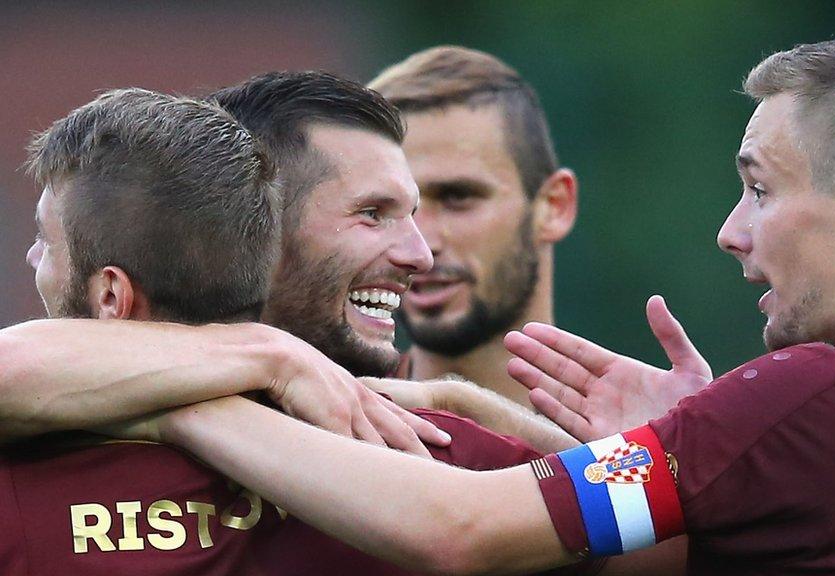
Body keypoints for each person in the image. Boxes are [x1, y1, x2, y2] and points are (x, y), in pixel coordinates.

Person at [103, 26, 835, 575]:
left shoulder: (802, 403)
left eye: (760, 189)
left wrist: (197, 395)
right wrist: (692, 449)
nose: (732, 232)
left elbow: (460, 531)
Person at [0, 80, 547, 575]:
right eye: (372, 213)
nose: (419, 254)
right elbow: (619, 508)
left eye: (46, 242)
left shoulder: (21, 486)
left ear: (113, 296)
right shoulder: (433, 449)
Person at [368, 46, 578, 408]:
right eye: (386, 208)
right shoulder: (327, 429)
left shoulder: (642, 447)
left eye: (457, 197)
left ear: (553, 207)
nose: (420, 245)